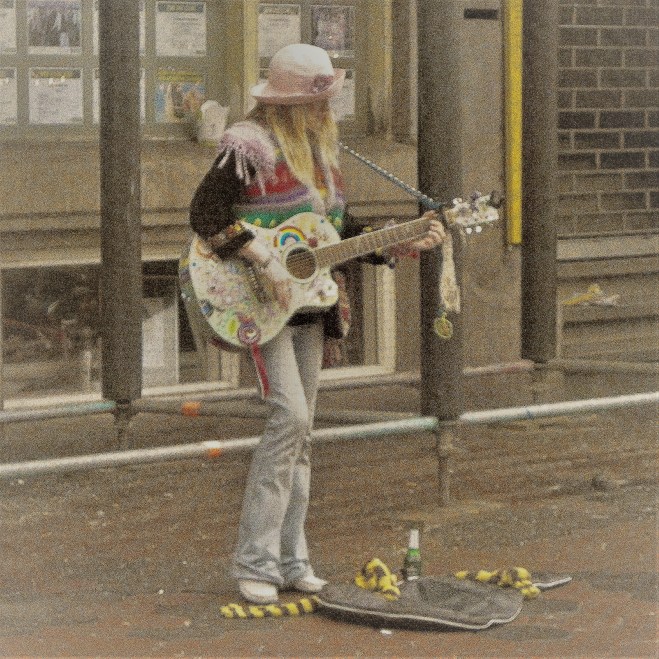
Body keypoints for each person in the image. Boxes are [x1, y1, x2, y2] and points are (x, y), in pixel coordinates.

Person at [189, 43, 445, 604]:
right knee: (290, 418)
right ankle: (254, 560)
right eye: (317, 100)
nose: (327, 110)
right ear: (286, 103)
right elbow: (205, 214)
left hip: (308, 304)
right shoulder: (248, 145)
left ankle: (291, 560)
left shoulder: (321, 153)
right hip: (255, 302)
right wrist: (260, 256)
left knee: (300, 434)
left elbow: (336, 234)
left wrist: (399, 240)